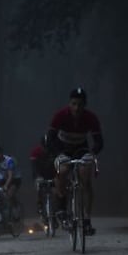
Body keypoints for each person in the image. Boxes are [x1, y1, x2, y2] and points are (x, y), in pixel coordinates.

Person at [46, 87, 103, 235]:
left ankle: (86, 219)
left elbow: (99, 141)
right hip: (62, 147)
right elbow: (49, 139)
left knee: (86, 177)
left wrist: (92, 153)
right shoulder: (60, 116)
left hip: (81, 148)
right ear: (69, 104)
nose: (77, 108)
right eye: (74, 104)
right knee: (63, 170)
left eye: (80, 104)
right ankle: (62, 205)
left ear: (85, 105)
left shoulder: (91, 118)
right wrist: (58, 154)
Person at [0, 145, 22, 221]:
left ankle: (15, 208)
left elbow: (10, 175)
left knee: (10, 194)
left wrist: (6, 186)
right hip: (3, 178)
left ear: (2, 153)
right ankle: (1, 213)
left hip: (14, 178)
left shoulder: (9, 160)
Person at [29, 135, 56, 215]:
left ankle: (58, 209)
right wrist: (38, 177)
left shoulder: (54, 151)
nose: (46, 149)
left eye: (48, 146)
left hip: (52, 175)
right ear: (41, 145)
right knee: (39, 188)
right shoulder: (35, 152)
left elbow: (58, 166)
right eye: (44, 147)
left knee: (56, 191)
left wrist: (57, 176)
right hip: (40, 175)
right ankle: (40, 205)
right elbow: (34, 167)